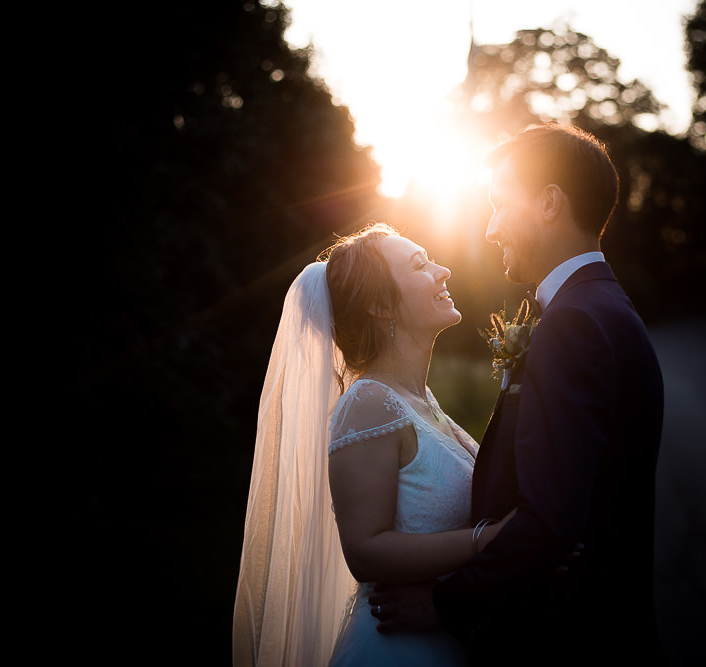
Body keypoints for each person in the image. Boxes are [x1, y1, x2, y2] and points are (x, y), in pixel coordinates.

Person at [369, 123, 666, 665]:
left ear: (549, 203)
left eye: (500, 204)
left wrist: (444, 602)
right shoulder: (600, 306)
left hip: (572, 638)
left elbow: (551, 521)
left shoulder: (575, 322)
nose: (489, 229)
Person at [232, 223, 510, 666]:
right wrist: (487, 540)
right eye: (421, 265)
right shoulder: (368, 402)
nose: (444, 271)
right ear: (381, 305)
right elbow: (365, 550)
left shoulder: (417, 399)